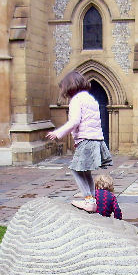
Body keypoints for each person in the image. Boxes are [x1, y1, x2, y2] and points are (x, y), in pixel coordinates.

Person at [46, 71, 112, 212]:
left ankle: (89, 200)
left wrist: (58, 133)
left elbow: (75, 121)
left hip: (88, 140)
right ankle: (91, 198)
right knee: (84, 170)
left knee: (76, 170)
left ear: (69, 86)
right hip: (95, 139)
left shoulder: (77, 100)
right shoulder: (90, 99)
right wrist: (79, 140)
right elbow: (91, 123)